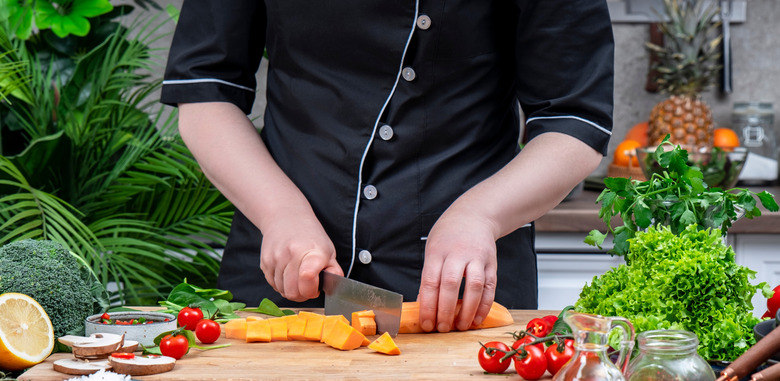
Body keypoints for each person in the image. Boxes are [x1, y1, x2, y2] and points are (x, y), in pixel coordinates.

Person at [160, 1, 614, 333]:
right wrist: (280, 214)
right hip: (286, 272)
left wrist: (480, 216)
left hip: (460, 291)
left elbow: (573, 122)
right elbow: (206, 93)